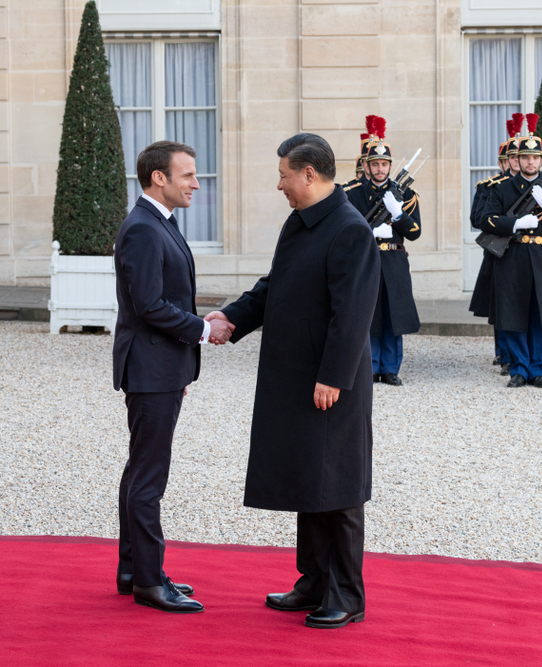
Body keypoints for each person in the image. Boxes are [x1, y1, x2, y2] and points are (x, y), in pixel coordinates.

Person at [205, 133, 380, 629]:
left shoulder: (349, 230)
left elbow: (353, 314)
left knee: (339, 487)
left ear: (309, 174)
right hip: (296, 375)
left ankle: (345, 594)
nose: (278, 183)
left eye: (284, 174)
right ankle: (313, 581)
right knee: (311, 479)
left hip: (329, 382)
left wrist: (333, 377)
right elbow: (275, 285)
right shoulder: (300, 222)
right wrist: (233, 318)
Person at [111, 140, 235, 613]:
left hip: (161, 365)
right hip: (150, 368)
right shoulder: (143, 227)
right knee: (148, 477)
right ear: (158, 177)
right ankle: (148, 581)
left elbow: (166, 300)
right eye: (187, 175)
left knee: (139, 471)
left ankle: (133, 570)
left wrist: (187, 351)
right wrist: (204, 330)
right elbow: (149, 305)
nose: (196, 183)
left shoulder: (158, 222)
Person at [478, 113, 542, 388]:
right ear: (517, 160)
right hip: (513, 256)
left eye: (535, 157)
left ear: (540, 160)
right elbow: (486, 219)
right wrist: (516, 223)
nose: (531, 162)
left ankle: (538, 369)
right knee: (514, 314)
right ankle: (519, 369)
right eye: (525, 157)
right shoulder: (502, 188)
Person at [345, 115, 421, 386]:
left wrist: (398, 215)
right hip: (366, 260)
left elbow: (415, 233)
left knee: (393, 315)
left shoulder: (405, 195)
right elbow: (344, 230)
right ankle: (370, 365)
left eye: (384, 164)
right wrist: (369, 232)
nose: (380, 169)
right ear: (366, 165)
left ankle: (390, 368)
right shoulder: (351, 193)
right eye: (375, 164)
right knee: (369, 314)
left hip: (393, 259)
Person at [470, 116, 521, 374]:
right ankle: (504, 352)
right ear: (503, 161)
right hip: (498, 250)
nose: (514, 161)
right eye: (510, 158)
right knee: (502, 305)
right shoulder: (490, 187)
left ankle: (516, 355)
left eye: (517, 157)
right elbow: (478, 218)